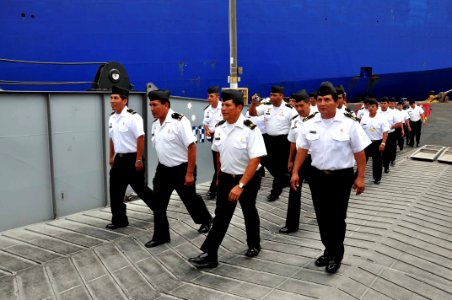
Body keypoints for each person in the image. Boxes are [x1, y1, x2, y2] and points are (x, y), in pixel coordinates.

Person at [290, 82, 370, 274]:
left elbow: (360, 153)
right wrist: (295, 172)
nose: (323, 103)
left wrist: (360, 177)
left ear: (336, 101)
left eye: (327, 100)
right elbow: (302, 149)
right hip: (317, 176)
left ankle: (336, 255)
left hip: (341, 178)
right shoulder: (309, 123)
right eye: (319, 100)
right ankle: (328, 250)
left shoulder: (350, 123)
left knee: (337, 217)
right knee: (322, 216)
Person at [188, 89, 267, 269]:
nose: (223, 108)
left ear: (239, 107)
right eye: (223, 104)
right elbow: (218, 153)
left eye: (227, 105)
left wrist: (240, 185)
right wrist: (219, 176)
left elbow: (255, 160)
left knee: (248, 210)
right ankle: (211, 254)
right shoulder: (220, 127)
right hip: (226, 178)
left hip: (247, 179)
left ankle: (254, 244)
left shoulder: (250, 129)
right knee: (221, 215)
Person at [145, 89, 212, 248]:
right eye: (150, 105)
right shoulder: (155, 125)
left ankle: (206, 219)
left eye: (155, 105)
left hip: (182, 170)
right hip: (163, 171)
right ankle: (161, 236)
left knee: (190, 200)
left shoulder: (180, 121)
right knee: (158, 203)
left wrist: (189, 174)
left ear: (166, 105)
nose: (152, 109)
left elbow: (191, 146)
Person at [106, 85, 154, 229]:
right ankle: (119, 220)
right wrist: (111, 156)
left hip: (133, 159)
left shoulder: (134, 117)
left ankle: (159, 209)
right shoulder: (112, 118)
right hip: (119, 160)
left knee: (141, 189)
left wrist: (139, 159)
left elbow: (140, 138)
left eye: (115, 98)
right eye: (111, 98)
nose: (112, 101)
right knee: (115, 191)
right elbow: (112, 138)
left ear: (125, 100)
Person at [249, 85, 296, 201]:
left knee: (280, 167)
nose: (271, 97)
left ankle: (275, 192)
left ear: (281, 96)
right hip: (269, 140)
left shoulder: (289, 109)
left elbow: (294, 127)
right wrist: (253, 103)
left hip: (283, 141)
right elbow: (253, 113)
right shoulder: (266, 108)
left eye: (274, 95)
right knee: (265, 161)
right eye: (271, 95)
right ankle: (284, 178)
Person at [280, 90, 316, 234]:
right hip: (299, 161)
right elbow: (292, 143)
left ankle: (325, 219)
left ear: (308, 103)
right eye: (297, 106)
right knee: (294, 191)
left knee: (318, 193)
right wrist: (290, 161)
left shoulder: (319, 119)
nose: (299, 109)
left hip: (315, 160)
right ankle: (291, 224)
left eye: (302, 106)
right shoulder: (295, 120)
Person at [360, 99, 389, 184]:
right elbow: (360, 130)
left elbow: (385, 132)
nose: (371, 108)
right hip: (366, 143)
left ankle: (377, 178)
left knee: (377, 161)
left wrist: (383, 143)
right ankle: (357, 177)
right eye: (369, 106)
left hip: (377, 143)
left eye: (373, 106)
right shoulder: (364, 117)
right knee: (362, 161)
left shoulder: (382, 119)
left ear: (377, 108)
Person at [203, 86, 223, 200]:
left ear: (217, 97)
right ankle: (216, 188)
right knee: (218, 165)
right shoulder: (207, 110)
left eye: (211, 96)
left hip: (222, 137)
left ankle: (213, 190)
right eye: (208, 96)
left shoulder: (223, 107)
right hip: (213, 138)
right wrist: (207, 130)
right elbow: (205, 122)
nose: (209, 98)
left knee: (219, 165)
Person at [377, 97, 402, 173]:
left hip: (390, 134)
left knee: (388, 150)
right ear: (379, 104)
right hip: (379, 135)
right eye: (381, 103)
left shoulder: (393, 112)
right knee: (379, 151)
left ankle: (386, 166)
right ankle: (382, 164)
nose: (383, 105)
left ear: (388, 104)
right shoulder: (377, 112)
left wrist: (391, 126)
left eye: (385, 103)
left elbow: (398, 123)